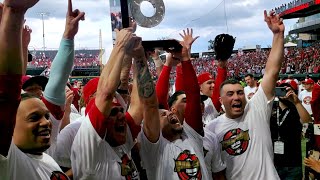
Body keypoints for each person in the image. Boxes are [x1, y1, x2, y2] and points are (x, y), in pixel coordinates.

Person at [205, 10, 284, 179]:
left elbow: (271, 72)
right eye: (230, 94)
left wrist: (277, 34)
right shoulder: (212, 128)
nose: (236, 97)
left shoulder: (256, 109)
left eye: (240, 92)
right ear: (220, 100)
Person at [0, 0, 68, 179]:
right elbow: (6, 93)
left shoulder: (46, 159)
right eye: (34, 118)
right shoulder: (9, 161)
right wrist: (14, 14)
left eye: (45, 116)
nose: (46, 122)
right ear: (10, 124)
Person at [138, 28, 210, 180]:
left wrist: (184, 58)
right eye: (163, 115)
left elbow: (193, 96)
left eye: (168, 112)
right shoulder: (154, 149)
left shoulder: (192, 137)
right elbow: (154, 103)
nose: (169, 113)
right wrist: (166, 64)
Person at [71, 28, 143, 179]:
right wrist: (120, 45)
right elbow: (105, 95)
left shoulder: (121, 141)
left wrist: (139, 59)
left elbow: (137, 105)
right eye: (112, 112)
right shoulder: (90, 145)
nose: (121, 116)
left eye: (120, 111)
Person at [270, 80, 312, 179]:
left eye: (287, 90)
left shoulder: (297, 108)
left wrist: (296, 102)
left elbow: (307, 123)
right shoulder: (271, 109)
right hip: (273, 163)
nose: (284, 93)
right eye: (281, 90)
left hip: (292, 163)